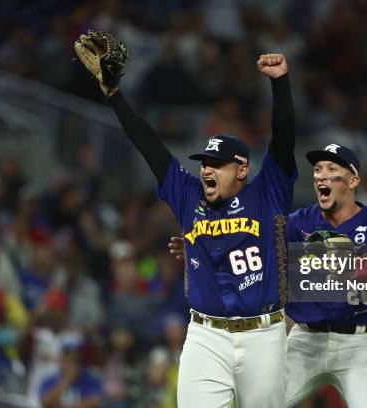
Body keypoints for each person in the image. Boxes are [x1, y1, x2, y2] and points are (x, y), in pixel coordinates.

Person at [76, 31, 297, 408]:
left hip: (264, 336)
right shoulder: (188, 195)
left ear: (242, 169)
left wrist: (280, 86)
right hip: (205, 336)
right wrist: (114, 96)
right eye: (204, 164)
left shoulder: (266, 193)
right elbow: (150, 147)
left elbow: (284, 140)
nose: (207, 170)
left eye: (217, 165)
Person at [170, 143, 367, 407]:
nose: (321, 175)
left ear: (353, 180)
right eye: (317, 169)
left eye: (332, 169)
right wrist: (203, 250)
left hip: (359, 344)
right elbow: (251, 247)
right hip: (305, 340)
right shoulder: (297, 223)